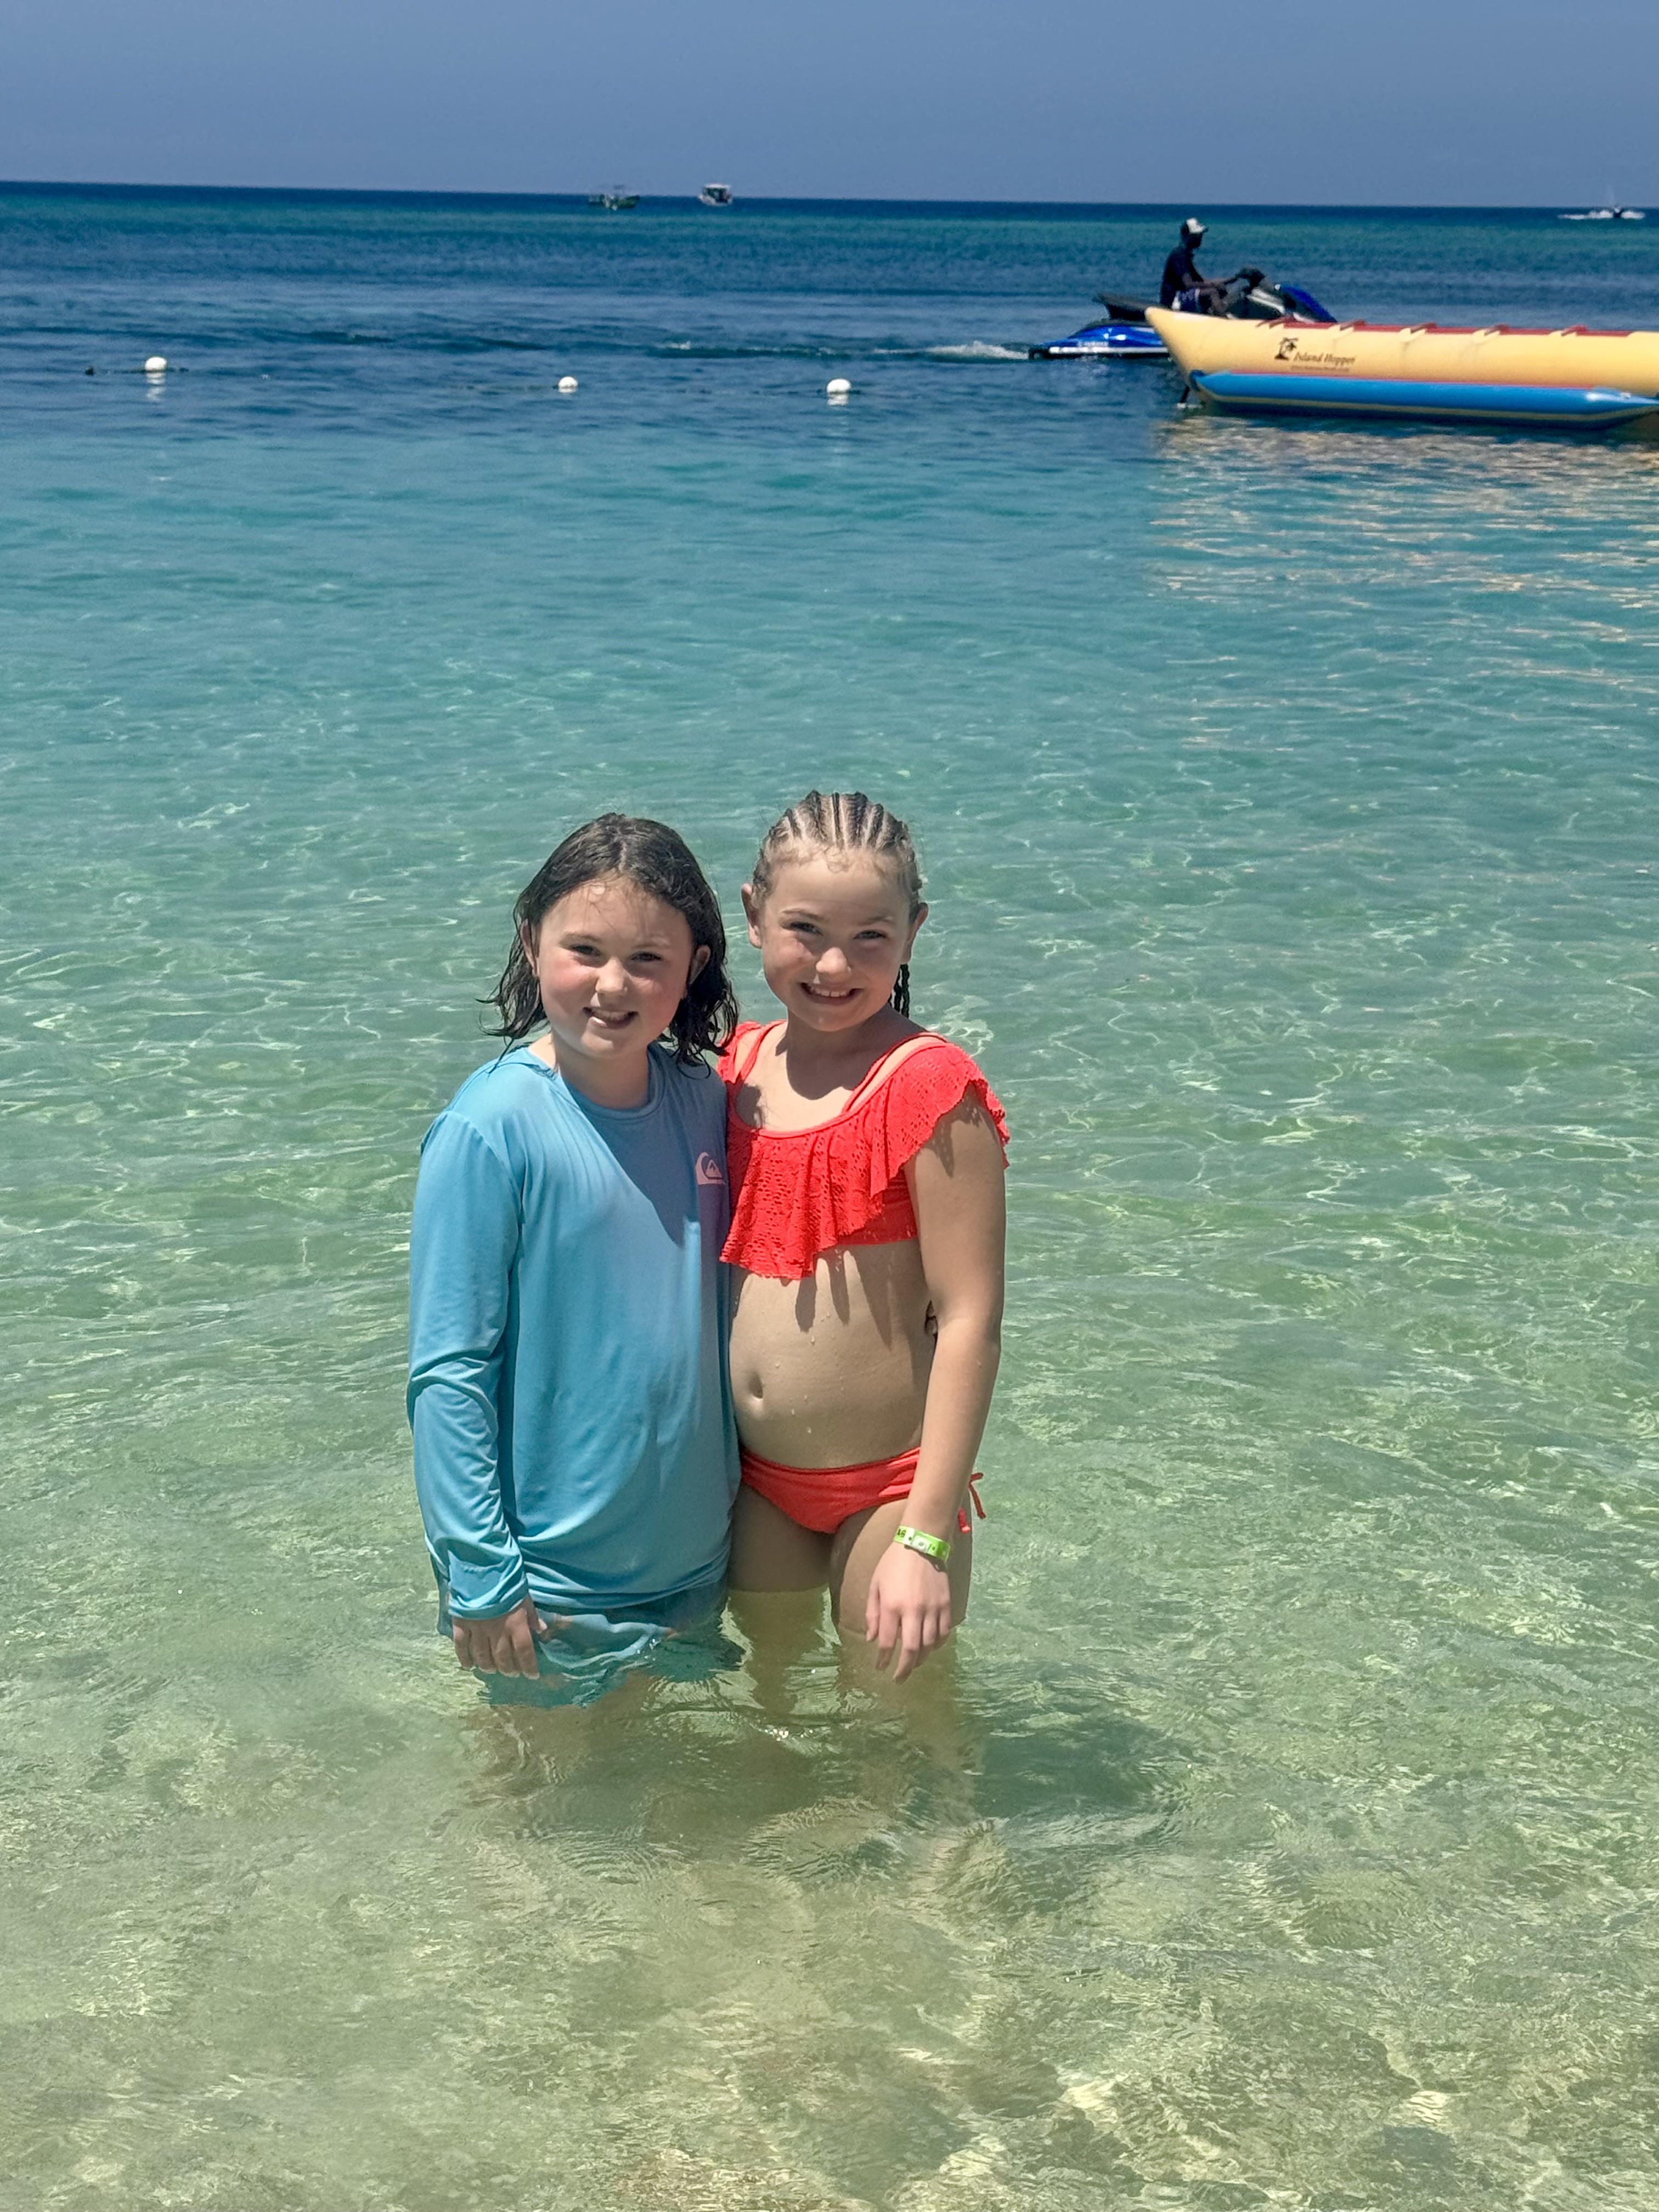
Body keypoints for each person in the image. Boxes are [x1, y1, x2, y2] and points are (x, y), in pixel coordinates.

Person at [407, 814, 741, 1705]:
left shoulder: (705, 1102)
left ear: (695, 966)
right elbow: (448, 1375)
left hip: (694, 1566)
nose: (612, 983)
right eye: (584, 950)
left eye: (647, 958)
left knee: (684, 1785)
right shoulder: (489, 1130)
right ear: (531, 940)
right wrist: (482, 1573)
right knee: (532, 1787)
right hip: (547, 1588)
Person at [719, 792, 1008, 1682]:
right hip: (757, 1481)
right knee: (762, 1703)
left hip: (892, 1486)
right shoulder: (733, 1069)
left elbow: (970, 1319)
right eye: (804, 930)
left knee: (897, 1722)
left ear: (913, 932)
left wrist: (924, 1537)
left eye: (870, 937)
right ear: (753, 915)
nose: (834, 965)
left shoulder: (928, 1087)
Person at [1160, 216, 1222, 312]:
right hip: (1174, 300)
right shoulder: (1180, 255)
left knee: (1220, 290)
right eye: (1197, 236)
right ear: (1188, 237)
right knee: (1212, 292)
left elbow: (1200, 281)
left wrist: (1233, 279)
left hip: (1182, 295)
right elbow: (1188, 284)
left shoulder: (1186, 255)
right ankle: (1223, 318)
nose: (1200, 238)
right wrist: (1212, 285)